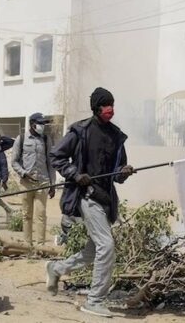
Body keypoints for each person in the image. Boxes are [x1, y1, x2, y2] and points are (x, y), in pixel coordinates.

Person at [45, 87, 135, 318]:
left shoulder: (116, 135)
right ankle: (94, 300)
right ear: (96, 108)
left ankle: (56, 269)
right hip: (87, 196)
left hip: (106, 201)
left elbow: (116, 174)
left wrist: (123, 172)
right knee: (107, 246)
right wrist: (75, 174)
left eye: (112, 104)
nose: (110, 109)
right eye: (106, 105)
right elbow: (56, 156)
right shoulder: (80, 131)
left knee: (93, 251)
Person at [11, 112, 56, 244]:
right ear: (32, 124)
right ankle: (27, 244)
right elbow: (14, 161)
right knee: (26, 215)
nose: (42, 126)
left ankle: (41, 245)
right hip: (26, 183)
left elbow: (50, 163)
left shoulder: (47, 140)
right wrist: (24, 173)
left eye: (43, 124)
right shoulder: (22, 139)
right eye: (40, 123)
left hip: (43, 182)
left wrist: (52, 184)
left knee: (41, 214)